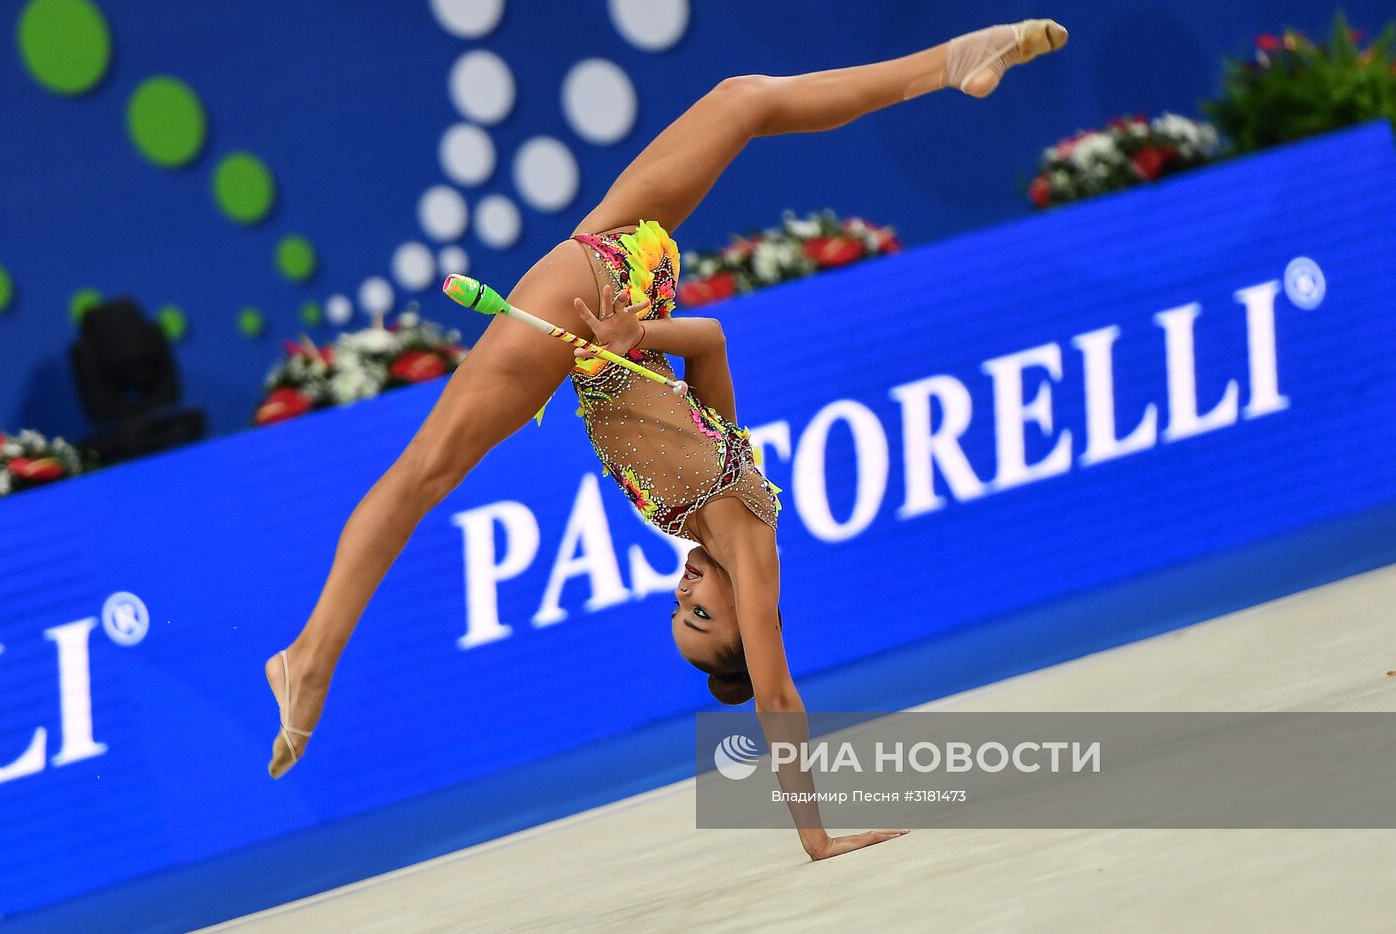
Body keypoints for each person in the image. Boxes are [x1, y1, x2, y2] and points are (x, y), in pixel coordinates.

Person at [267, 18, 1068, 858]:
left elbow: (707, 346)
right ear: (749, 619)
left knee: (426, 475)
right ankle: (310, 661)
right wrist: (819, 838)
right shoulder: (750, 537)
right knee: (742, 100)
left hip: (598, 299)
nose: (682, 592)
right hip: (614, 289)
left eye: (676, 610)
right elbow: (778, 698)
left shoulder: (700, 512)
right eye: (700, 612)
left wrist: (630, 340)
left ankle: (311, 659)